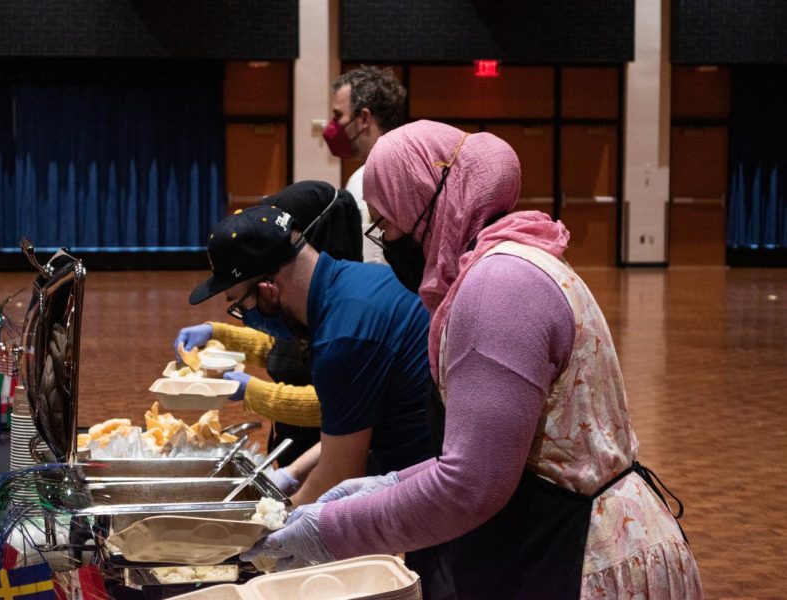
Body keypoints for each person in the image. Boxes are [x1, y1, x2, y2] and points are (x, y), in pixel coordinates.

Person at [243, 121, 704, 599]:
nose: (385, 240)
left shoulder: (498, 286)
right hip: (562, 539)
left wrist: (334, 528)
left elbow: (470, 486)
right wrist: (388, 484)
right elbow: (487, 452)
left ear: (423, 202)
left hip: (589, 557)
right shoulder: (504, 263)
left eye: (387, 223)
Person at [187, 199, 434, 507]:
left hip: (444, 499)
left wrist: (275, 526)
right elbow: (350, 426)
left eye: (240, 304)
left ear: (268, 289)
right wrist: (291, 473)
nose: (246, 316)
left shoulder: (342, 337)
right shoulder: (355, 283)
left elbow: (338, 476)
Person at [174, 181, 363, 469]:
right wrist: (218, 334)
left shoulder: (344, 310)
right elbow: (283, 349)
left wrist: (255, 393)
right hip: (295, 445)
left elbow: (333, 404)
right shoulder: (308, 302)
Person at [323, 66, 407, 264]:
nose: (334, 125)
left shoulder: (367, 178)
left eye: (338, 115)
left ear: (364, 119)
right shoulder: (411, 165)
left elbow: (370, 260)